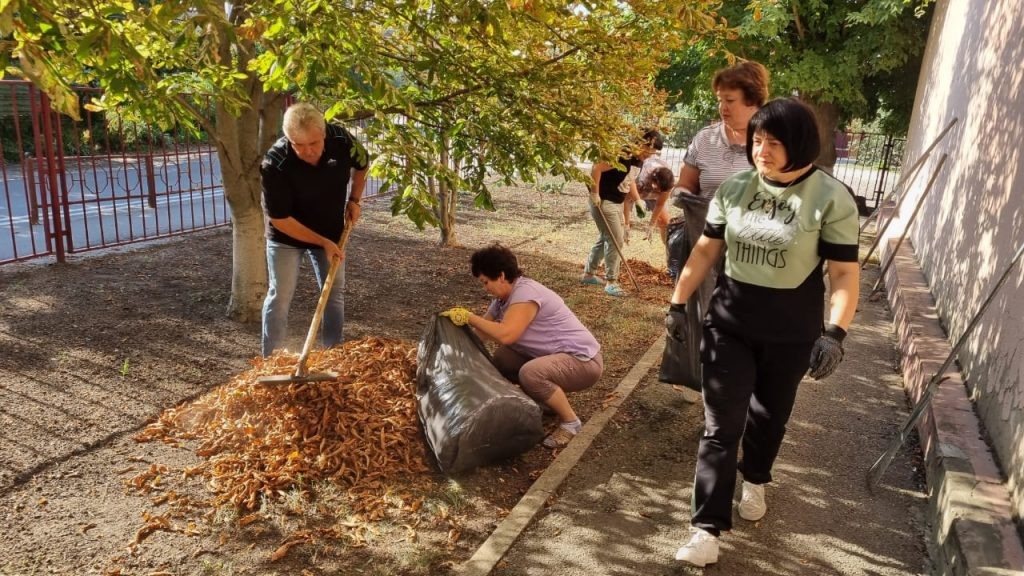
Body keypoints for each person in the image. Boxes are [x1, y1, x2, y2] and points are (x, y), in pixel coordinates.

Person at [667, 98, 860, 568]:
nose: (761, 150)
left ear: (800, 146)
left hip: (791, 332)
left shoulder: (831, 198)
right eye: (757, 140)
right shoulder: (734, 188)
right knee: (720, 426)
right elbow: (705, 251)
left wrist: (834, 332)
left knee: (769, 419)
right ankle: (705, 528)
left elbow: (842, 275)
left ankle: (755, 477)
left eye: (773, 142)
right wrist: (676, 304)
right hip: (730, 324)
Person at [441, 244, 604, 449]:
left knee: (531, 373)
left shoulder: (525, 294)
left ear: (501, 275)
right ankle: (548, 403)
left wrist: (470, 317)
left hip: (583, 362)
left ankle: (571, 423)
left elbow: (507, 335)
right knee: (502, 359)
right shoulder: (502, 300)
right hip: (559, 358)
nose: (485, 288)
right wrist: (451, 350)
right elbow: (481, 335)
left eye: (486, 282)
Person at [260, 102, 368, 357]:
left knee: (334, 292)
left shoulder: (341, 139)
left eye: (314, 144)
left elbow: (362, 165)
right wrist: (322, 242)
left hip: (331, 229)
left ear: (324, 133)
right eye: (299, 145)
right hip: (286, 236)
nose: (308, 151)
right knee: (280, 296)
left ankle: (333, 353)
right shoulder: (274, 163)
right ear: (288, 139)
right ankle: (271, 360)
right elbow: (280, 219)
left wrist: (354, 199)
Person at [667, 59, 770, 280]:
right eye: (719, 100)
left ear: (753, 101)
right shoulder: (705, 139)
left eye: (730, 100)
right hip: (703, 250)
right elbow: (684, 185)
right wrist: (682, 197)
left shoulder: (774, 143)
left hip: (754, 258)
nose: (722, 107)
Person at [580, 129, 663, 297]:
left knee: (606, 236)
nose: (648, 156)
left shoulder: (637, 159)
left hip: (616, 202)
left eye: (652, 154)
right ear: (640, 143)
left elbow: (629, 179)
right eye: (648, 151)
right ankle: (611, 281)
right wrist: (595, 193)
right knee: (615, 239)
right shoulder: (622, 153)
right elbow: (596, 168)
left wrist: (638, 199)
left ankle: (588, 274)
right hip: (604, 201)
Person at [626, 155, 675, 245]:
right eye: (657, 190)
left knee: (665, 222)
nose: (659, 192)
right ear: (653, 182)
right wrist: (626, 224)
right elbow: (627, 200)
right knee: (621, 222)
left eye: (660, 191)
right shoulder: (641, 179)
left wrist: (651, 226)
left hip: (654, 187)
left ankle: (669, 251)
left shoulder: (668, 181)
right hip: (637, 190)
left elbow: (660, 204)